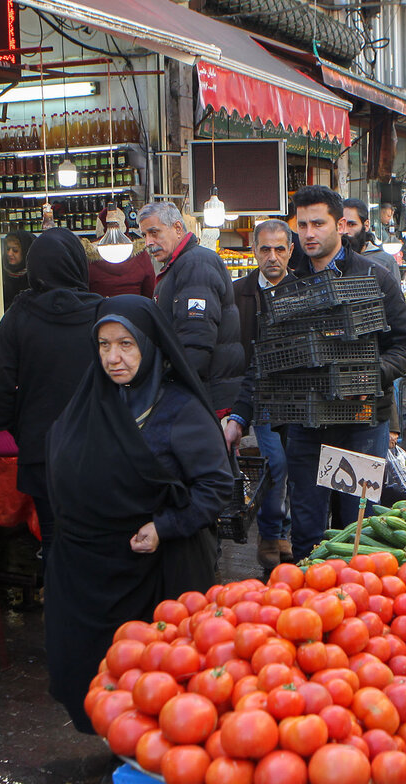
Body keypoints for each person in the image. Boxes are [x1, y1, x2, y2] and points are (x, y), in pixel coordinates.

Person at [44, 294, 232, 735]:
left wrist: (164, 527)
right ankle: (118, 740)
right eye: (104, 345)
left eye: (127, 344)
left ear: (150, 344)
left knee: (155, 672)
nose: (114, 358)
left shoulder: (179, 409)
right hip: (91, 565)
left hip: (157, 568)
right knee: (94, 666)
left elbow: (216, 486)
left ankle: (147, 751)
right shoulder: (91, 400)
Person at [225, 186, 406, 560]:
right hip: (305, 428)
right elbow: (264, 360)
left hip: (361, 425)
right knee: (308, 536)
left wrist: (369, 374)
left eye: (318, 223)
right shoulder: (288, 284)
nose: (309, 234)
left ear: (341, 225)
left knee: (356, 534)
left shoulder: (375, 278)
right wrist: (239, 414)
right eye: (302, 225)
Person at [0, 228, 104, 555]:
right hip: (96, 451)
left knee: (54, 541)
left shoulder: (17, 316)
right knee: (96, 540)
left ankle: (58, 604)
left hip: (41, 452)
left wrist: (18, 430)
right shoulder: (102, 314)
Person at [137, 202, 244, 413]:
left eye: (154, 232)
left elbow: (196, 337)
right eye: (144, 236)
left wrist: (177, 389)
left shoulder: (196, 263)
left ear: (177, 228)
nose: (149, 242)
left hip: (205, 396)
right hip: (201, 392)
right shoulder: (180, 265)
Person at [232, 219, 295, 571]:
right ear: (254, 251)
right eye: (265, 249)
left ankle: (283, 531)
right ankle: (271, 534)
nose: (272, 256)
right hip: (256, 392)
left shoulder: (303, 290)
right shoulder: (237, 293)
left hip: (294, 395)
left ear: (290, 251)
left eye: (280, 249)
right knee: (276, 464)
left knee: (292, 466)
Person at [342, 198, 401, 281]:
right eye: (341, 225)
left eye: (351, 225)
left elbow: (395, 293)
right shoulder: (332, 262)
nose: (345, 231)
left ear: (366, 225)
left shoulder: (384, 261)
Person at [86, 230, 156, 299]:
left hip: (100, 308)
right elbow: (150, 291)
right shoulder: (141, 255)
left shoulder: (86, 256)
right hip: (134, 307)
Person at [1, 231, 34, 308]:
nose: (9, 253)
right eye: (8, 249)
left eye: (15, 250)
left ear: (25, 251)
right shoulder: (0, 269)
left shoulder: (34, 274)